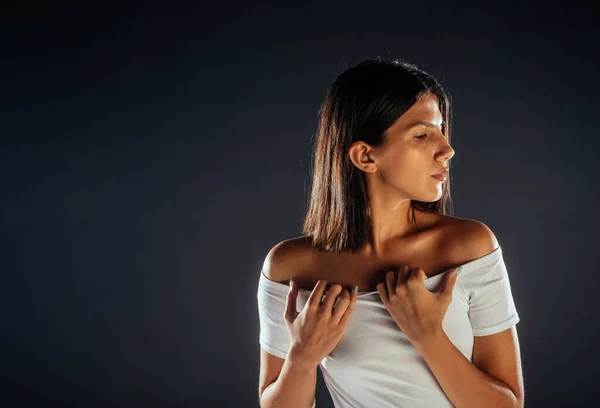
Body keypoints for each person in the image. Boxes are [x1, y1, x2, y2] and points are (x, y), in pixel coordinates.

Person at [256, 58, 524, 408]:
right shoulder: (291, 268)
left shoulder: (469, 247)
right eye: (422, 134)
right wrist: (301, 360)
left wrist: (428, 335)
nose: (447, 149)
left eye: (442, 129)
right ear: (365, 156)